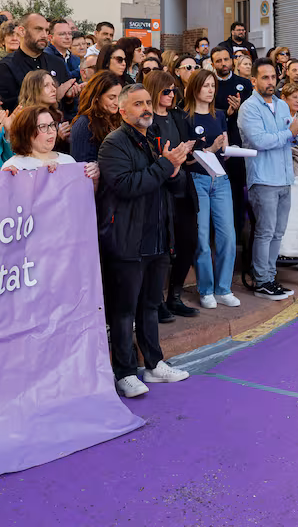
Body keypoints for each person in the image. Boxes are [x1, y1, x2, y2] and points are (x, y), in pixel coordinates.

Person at [96, 85, 192, 397]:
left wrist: (175, 172)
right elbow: (127, 186)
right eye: (138, 104)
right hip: (126, 241)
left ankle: (153, 363)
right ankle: (124, 372)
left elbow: (173, 190)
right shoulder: (113, 144)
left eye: (148, 102)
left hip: (157, 237)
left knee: (150, 305)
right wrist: (167, 166)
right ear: (122, 111)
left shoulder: (153, 140)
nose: (146, 108)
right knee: (123, 312)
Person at [238, 58, 298, 300]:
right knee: (265, 232)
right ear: (254, 80)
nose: (271, 82)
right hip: (264, 178)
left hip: (284, 176)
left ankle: (270, 277)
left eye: (273, 77)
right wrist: (290, 132)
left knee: (278, 232)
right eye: (265, 78)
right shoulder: (248, 108)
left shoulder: (281, 105)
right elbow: (261, 141)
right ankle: (262, 281)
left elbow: (289, 137)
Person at [142, 70, 204, 320]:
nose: (170, 95)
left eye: (173, 90)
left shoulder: (179, 116)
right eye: (166, 91)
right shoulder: (146, 120)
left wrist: (188, 151)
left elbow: (188, 153)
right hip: (159, 191)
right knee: (161, 249)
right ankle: (156, 301)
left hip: (182, 188)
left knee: (189, 242)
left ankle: (175, 296)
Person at [183, 68, 240, 309]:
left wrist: (226, 150)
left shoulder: (219, 115)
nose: (210, 90)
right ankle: (206, 289)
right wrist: (211, 150)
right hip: (197, 179)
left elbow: (222, 148)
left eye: (212, 86)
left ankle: (223, 288)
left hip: (221, 179)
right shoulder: (185, 117)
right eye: (205, 85)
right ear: (194, 88)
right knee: (202, 237)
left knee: (228, 234)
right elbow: (186, 159)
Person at [211, 46, 253, 244]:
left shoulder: (244, 84)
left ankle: (238, 234)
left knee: (237, 191)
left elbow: (253, 114)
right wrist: (225, 114)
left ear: (232, 61)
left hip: (238, 145)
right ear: (212, 64)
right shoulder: (209, 85)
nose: (223, 64)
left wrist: (239, 110)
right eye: (218, 61)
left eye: (226, 59)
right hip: (215, 145)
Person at [0, 13, 75, 112]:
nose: (44, 35)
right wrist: (54, 97)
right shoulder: (6, 66)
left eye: (46, 31)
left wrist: (69, 98)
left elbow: (67, 109)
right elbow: (11, 108)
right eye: (38, 29)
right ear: (22, 31)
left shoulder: (57, 63)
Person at [69, 70, 124, 164]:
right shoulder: (84, 124)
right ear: (97, 97)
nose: (116, 102)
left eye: (119, 97)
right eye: (111, 97)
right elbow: (82, 163)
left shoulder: (118, 119)